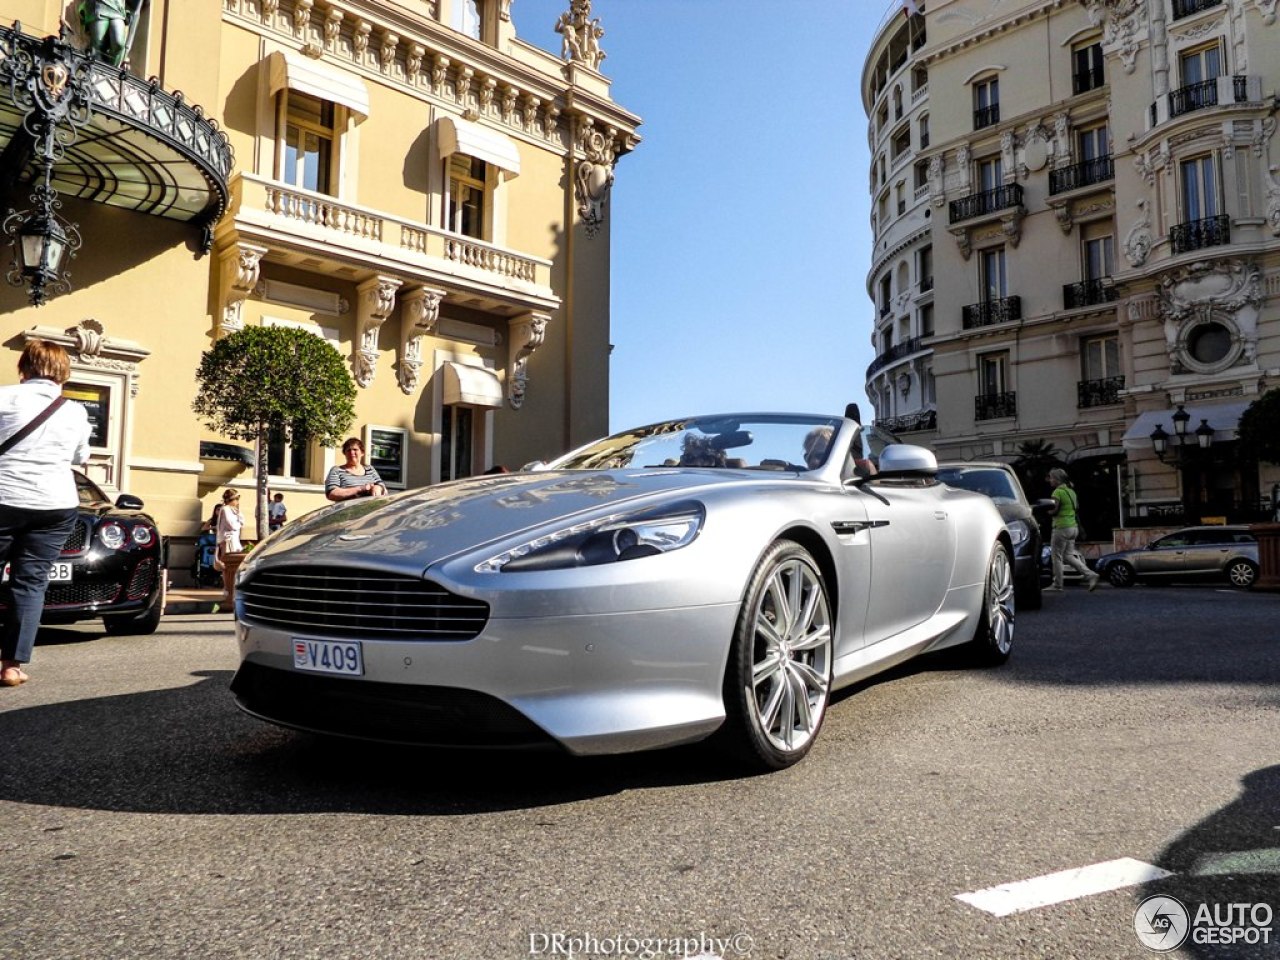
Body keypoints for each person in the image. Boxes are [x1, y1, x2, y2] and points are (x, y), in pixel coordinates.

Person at [0, 340, 92, 687]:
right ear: (63, 374)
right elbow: (80, 455)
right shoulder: (76, 411)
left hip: (3, 496)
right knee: (30, 582)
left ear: (24, 367)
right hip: (55, 504)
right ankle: (12, 666)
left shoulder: (4, 397)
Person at [1045, 467, 1100, 593]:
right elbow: (1076, 510)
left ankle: (1058, 585)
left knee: (1056, 557)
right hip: (1073, 528)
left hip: (1061, 528)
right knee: (1068, 556)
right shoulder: (1071, 492)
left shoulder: (1057, 492)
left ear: (1057, 479)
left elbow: (1054, 510)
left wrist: (1045, 511)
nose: (1050, 480)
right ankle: (1090, 575)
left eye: (1051, 477)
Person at [215, 488, 244, 601]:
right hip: (228, 540)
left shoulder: (234, 510)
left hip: (235, 540)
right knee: (228, 567)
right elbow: (233, 525)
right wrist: (238, 520)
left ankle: (231, 590)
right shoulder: (225, 509)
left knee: (235, 566)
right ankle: (227, 591)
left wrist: (238, 515)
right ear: (232, 499)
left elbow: (242, 521)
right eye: (237, 499)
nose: (238, 502)